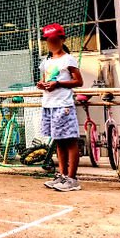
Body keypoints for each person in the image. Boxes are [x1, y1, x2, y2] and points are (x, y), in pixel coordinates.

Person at [37, 24, 84, 192]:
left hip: (63, 105)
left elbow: (79, 81)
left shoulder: (68, 59)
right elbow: (46, 80)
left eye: (55, 40)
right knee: (58, 141)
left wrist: (58, 83)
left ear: (62, 40)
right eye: (49, 41)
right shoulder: (46, 61)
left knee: (70, 141)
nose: (52, 43)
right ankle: (62, 176)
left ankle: (72, 179)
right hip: (49, 104)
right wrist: (43, 85)